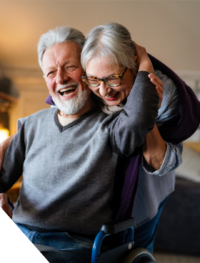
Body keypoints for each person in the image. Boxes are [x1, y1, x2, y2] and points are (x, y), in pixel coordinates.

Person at [0, 26, 161, 262]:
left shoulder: (113, 126)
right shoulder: (31, 125)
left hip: (72, 247)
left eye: (70, 67)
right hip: (18, 238)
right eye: (51, 72)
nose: (60, 78)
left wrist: (144, 61)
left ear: (88, 70)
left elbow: (139, 117)